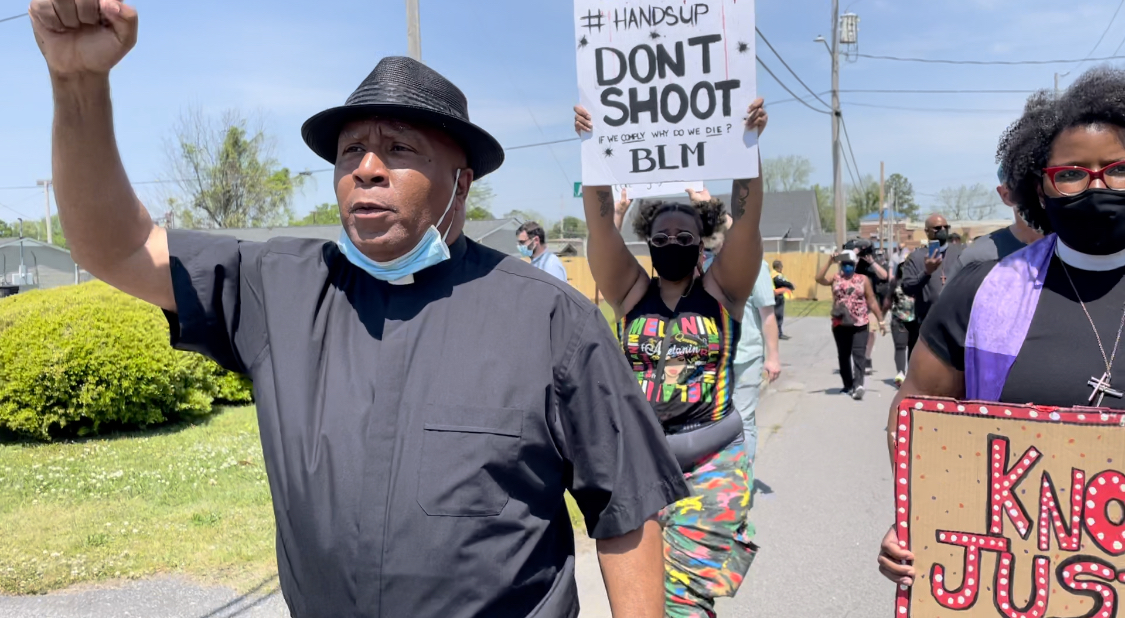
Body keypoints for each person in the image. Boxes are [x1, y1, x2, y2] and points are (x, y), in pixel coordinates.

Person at [30, 4, 692, 617]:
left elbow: (626, 511)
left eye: (400, 149)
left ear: (462, 180)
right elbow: (119, 247)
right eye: (351, 151)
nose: (367, 167)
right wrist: (77, 86)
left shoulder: (552, 321)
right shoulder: (278, 288)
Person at [878, 66, 1125, 588]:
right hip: (1014, 582)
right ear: (1041, 184)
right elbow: (917, 412)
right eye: (1073, 173)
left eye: (1118, 169)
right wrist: (926, 517)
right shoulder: (981, 290)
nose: (1097, 185)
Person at [575, 100, 767, 618]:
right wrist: (593, 151)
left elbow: (747, 225)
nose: (673, 243)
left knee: (684, 600)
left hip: (713, 460)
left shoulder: (724, 291)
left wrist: (748, 148)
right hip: (640, 463)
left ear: (701, 242)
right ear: (648, 243)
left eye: (685, 237)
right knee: (641, 601)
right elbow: (599, 230)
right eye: (661, 238)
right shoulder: (631, 293)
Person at [943, 164, 1045, 281]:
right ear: (1005, 195)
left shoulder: (1068, 248)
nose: (1040, 191)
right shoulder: (977, 259)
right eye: (1028, 185)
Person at [816, 250, 886, 400]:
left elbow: (872, 300)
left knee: (859, 354)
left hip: (860, 322)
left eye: (850, 264)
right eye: (845, 264)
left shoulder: (863, 279)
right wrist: (829, 262)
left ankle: (859, 384)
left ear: (854, 265)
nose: (847, 267)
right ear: (841, 265)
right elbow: (818, 278)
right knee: (843, 355)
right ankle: (848, 385)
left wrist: (880, 320)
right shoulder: (835, 278)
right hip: (840, 323)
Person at [900, 214, 965, 326]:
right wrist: (927, 273)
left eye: (946, 227)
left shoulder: (961, 252)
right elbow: (907, 287)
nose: (943, 230)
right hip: (928, 322)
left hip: (958, 322)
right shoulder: (916, 257)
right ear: (927, 231)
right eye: (938, 228)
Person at [888, 261, 917, 387]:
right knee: (900, 347)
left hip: (915, 320)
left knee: (913, 347)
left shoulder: (918, 283)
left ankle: (910, 375)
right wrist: (881, 319)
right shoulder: (895, 283)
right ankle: (900, 373)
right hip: (898, 319)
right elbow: (887, 300)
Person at [771, 260, 795, 340]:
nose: (782, 269)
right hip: (778, 297)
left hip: (773, 296)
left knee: (774, 315)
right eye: (781, 267)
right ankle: (778, 333)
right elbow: (783, 282)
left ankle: (775, 333)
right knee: (779, 315)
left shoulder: (772, 274)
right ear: (778, 267)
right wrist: (791, 286)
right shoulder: (777, 275)